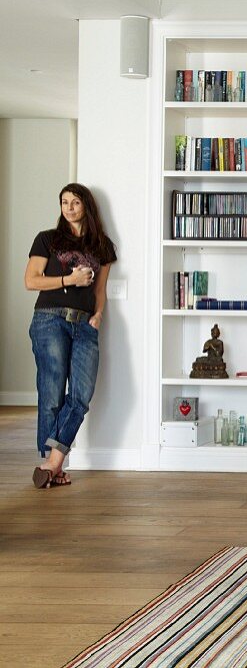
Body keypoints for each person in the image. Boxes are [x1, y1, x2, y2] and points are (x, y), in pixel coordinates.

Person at [24, 183, 116, 488]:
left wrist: (98, 315)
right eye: (64, 202)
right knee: (51, 394)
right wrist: (70, 278)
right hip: (49, 320)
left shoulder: (101, 246)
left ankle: (51, 464)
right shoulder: (47, 239)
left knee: (80, 396)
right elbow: (31, 281)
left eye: (75, 202)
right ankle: (53, 465)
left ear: (86, 206)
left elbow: (100, 290)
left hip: (85, 324)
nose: (69, 207)